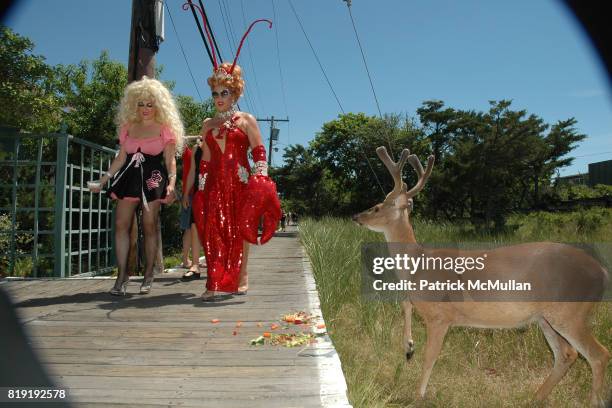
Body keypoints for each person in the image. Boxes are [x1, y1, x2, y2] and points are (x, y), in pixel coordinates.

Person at [185, 14, 280, 301]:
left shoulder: (246, 120)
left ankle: (242, 275)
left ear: (235, 91)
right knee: (213, 230)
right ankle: (214, 281)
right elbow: (205, 159)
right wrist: (200, 185)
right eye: (215, 93)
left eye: (224, 92)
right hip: (214, 183)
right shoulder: (207, 124)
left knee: (239, 229)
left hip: (239, 181)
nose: (218, 98)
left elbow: (259, 150)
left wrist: (259, 175)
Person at [89, 76, 184, 295]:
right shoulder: (128, 127)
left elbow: (170, 160)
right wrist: (103, 181)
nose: (145, 108)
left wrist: (171, 183)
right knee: (121, 225)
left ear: (158, 105)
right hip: (128, 178)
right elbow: (121, 158)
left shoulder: (165, 128)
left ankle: (148, 274)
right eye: (141, 103)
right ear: (134, 104)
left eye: (150, 104)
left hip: (153, 179)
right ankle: (122, 276)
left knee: (149, 226)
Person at [180, 138, 204, 280]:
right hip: (194, 193)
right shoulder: (193, 150)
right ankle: (191, 263)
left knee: (207, 228)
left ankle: (215, 263)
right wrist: (185, 194)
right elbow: (192, 172)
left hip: (210, 191)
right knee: (192, 226)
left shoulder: (219, 145)